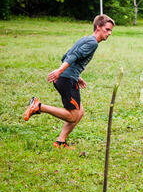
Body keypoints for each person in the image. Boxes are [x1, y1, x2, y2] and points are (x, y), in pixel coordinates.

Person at [23, 14, 115, 148]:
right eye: (107, 29)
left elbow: (65, 56)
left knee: (79, 112)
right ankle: (39, 107)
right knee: (72, 116)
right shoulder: (93, 42)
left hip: (67, 77)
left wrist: (76, 75)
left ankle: (60, 141)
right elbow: (73, 56)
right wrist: (61, 71)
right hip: (66, 79)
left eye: (110, 30)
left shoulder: (86, 39)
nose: (109, 33)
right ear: (98, 27)